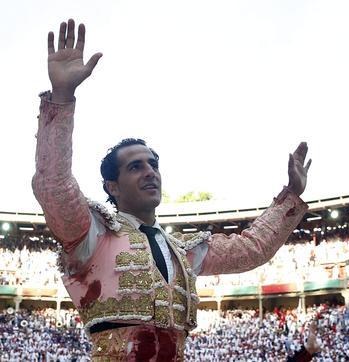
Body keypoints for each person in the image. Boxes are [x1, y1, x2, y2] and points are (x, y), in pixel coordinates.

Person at [32, 19, 312, 360]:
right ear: (112, 186)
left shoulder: (182, 252)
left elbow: (251, 250)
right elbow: (54, 184)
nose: (150, 173)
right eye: (136, 167)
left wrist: (291, 195)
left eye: (153, 164)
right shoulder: (92, 234)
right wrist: (62, 99)